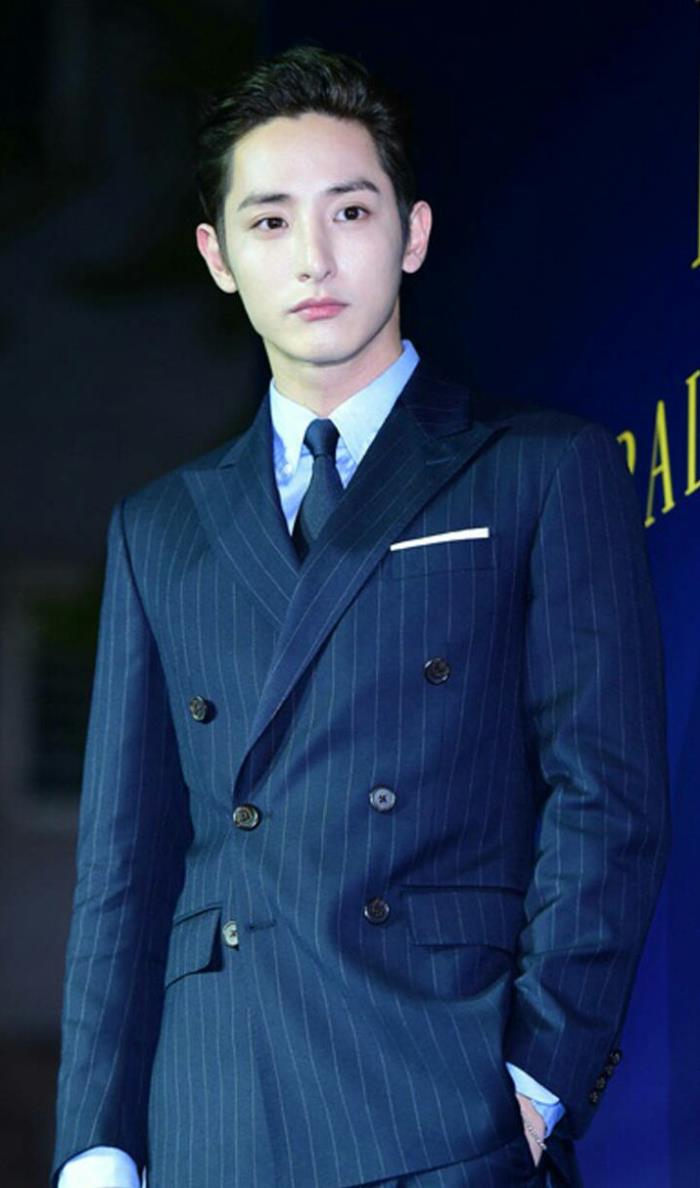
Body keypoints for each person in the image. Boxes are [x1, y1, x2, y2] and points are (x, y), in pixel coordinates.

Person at [51, 44, 670, 1188]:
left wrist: (536, 1077)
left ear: (412, 234)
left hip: (442, 1100)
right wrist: (96, 1142)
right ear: (218, 256)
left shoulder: (539, 470)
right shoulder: (160, 529)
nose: (315, 257)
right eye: (270, 221)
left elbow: (607, 796)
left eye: (350, 210)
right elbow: (124, 868)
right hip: (216, 1109)